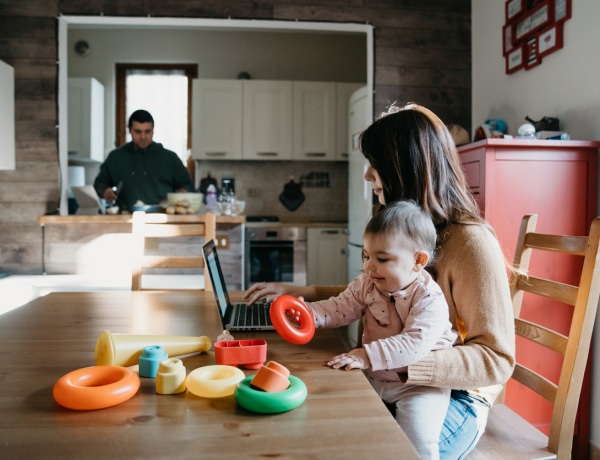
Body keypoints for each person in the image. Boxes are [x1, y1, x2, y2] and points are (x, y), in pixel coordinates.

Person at [245, 103, 515, 459]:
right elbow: (374, 294)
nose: (367, 175)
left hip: (453, 394)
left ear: (406, 167)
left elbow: (496, 360)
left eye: (376, 163)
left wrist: (400, 362)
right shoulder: (394, 232)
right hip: (386, 373)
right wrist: (306, 295)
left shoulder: (471, 243)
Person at [292, 201, 457, 459]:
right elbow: (340, 307)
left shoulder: (430, 300)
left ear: (418, 260)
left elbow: (414, 344)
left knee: (418, 444)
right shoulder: (367, 284)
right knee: (337, 423)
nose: (370, 266)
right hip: (373, 376)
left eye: (382, 258)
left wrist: (365, 355)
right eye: (367, 256)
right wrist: (309, 314)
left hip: (417, 386)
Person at [94, 109, 193, 213]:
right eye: (137, 131)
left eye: (147, 131)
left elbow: (187, 186)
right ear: (129, 130)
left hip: (162, 217)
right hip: (125, 217)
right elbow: (99, 183)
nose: (143, 137)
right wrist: (105, 191)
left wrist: (176, 198)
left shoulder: (170, 158)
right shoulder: (116, 157)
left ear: (153, 130)